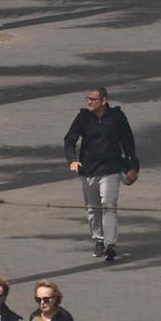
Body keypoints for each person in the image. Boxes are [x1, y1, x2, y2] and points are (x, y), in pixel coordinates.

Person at [64, 85, 139, 264]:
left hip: (111, 169)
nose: (89, 101)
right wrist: (72, 160)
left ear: (104, 101)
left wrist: (133, 166)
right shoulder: (83, 117)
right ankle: (98, 239)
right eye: (87, 98)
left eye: (92, 99)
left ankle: (110, 244)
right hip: (88, 169)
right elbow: (69, 140)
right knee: (93, 208)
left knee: (109, 205)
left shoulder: (117, 117)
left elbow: (128, 141)